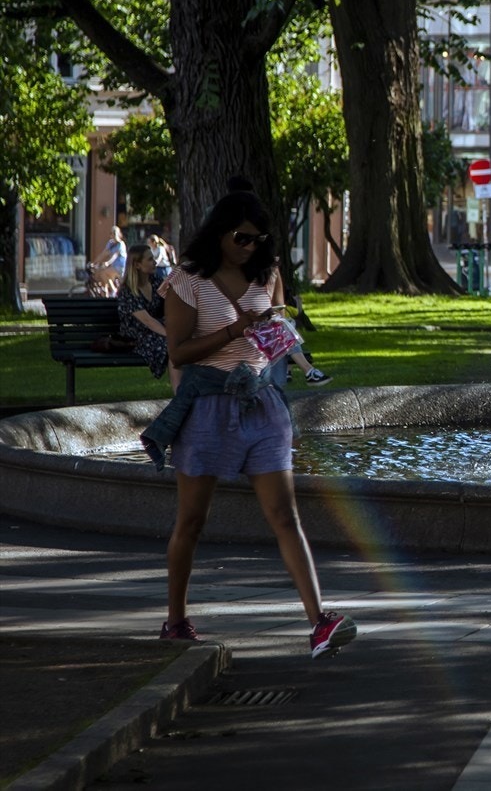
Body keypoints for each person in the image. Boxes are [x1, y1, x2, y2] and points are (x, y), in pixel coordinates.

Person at [151, 185, 355, 657]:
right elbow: (177, 352)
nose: (251, 247)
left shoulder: (268, 274)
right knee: (192, 521)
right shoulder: (188, 278)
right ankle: (176, 621)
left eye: (259, 239)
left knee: (285, 516)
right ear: (220, 233)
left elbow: (277, 332)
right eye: (242, 238)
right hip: (208, 407)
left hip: (262, 404)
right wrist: (234, 330)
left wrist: (288, 347)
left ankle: (319, 622)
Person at [118, 244, 176, 391]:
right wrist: (172, 335)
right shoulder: (128, 291)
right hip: (137, 336)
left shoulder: (156, 281)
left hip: (157, 330)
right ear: (137, 264)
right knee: (173, 346)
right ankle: (179, 393)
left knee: (186, 342)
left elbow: (171, 305)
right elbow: (147, 321)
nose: (155, 262)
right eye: (150, 259)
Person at [87, 225, 127, 293]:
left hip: (119, 267)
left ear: (118, 234)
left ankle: (114, 291)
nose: (113, 235)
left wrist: (107, 263)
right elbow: (104, 254)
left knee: (103, 273)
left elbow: (115, 255)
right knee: (105, 281)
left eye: (114, 233)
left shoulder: (121, 244)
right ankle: (106, 295)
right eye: (111, 233)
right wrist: (94, 262)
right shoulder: (110, 243)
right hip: (113, 266)